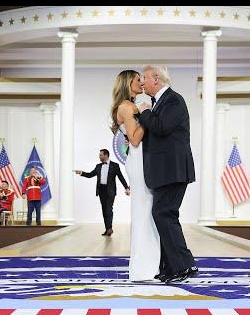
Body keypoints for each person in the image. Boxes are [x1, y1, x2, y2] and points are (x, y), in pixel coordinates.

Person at [135, 65, 197, 283]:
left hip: (173, 170)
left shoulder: (173, 100)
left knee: (164, 214)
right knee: (165, 215)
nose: (142, 81)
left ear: (157, 80)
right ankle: (173, 267)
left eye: (145, 77)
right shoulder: (160, 102)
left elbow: (161, 127)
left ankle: (184, 266)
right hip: (165, 171)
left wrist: (144, 113)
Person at [111, 70, 159, 281]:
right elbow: (134, 139)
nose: (141, 82)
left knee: (146, 212)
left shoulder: (127, 106)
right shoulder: (128, 107)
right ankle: (143, 268)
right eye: (137, 79)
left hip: (140, 161)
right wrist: (148, 115)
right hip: (138, 161)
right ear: (127, 82)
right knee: (143, 212)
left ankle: (149, 265)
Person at [75, 149, 130, 236]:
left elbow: (120, 177)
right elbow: (90, 175)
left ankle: (110, 228)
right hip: (101, 190)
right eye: (99, 155)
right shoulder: (98, 166)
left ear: (106, 155)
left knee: (109, 209)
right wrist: (81, 173)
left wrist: (126, 187)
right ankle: (107, 229)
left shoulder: (115, 166)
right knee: (104, 210)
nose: (99, 157)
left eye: (101, 155)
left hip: (110, 190)